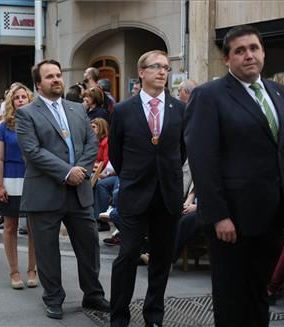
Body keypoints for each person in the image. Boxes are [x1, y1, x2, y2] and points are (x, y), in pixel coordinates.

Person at [185, 25, 284, 327]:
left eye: (254, 48)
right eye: (240, 51)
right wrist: (219, 214)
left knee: (258, 293)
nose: (249, 55)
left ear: (263, 52)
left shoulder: (278, 92)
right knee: (232, 298)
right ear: (227, 59)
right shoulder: (209, 95)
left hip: (272, 216)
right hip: (231, 220)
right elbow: (203, 159)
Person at [15, 59, 109, 320]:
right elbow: (33, 152)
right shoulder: (27, 113)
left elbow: (92, 142)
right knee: (47, 251)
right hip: (45, 192)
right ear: (38, 84)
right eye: (49, 77)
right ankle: (54, 298)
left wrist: (80, 170)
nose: (56, 79)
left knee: (89, 245)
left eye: (58, 75)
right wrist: (67, 172)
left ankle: (93, 294)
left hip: (78, 192)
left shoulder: (78, 109)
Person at [109, 50, 186, 327]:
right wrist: (135, 175)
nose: (163, 72)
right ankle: (118, 316)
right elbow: (115, 156)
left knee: (161, 260)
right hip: (134, 194)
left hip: (167, 195)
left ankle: (154, 316)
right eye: (156, 67)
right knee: (128, 255)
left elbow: (182, 151)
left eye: (166, 67)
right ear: (141, 72)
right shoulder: (122, 110)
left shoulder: (180, 109)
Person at [0, 83, 37, 289]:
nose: (20, 100)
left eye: (24, 97)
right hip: (10, 178)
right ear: (11, 102)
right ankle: (14, 271)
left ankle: (32, 270)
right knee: (10, 226)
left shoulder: (37, 123)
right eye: (17, 97)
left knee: (34, 227)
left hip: (33, 178)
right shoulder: (3, 128)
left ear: (29, 100)